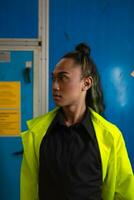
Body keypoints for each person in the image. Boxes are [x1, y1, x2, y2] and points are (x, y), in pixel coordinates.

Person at [20, 43, 134, 200]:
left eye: (62, 78)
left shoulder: (110, 136)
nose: (54, 86)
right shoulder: (37, 134)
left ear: (86, 83)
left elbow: (123, 192)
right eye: (53, 78)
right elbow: (29, 190)